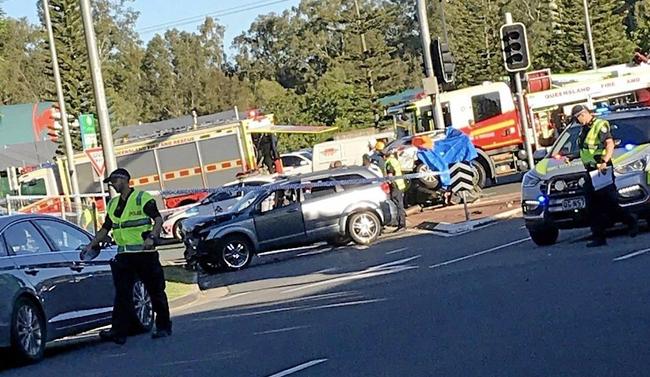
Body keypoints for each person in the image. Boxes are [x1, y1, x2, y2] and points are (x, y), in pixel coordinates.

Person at [81, 168, 171, 344]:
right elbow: (106, 228)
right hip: (124, 256)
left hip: (145, 254)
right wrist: (91, 244)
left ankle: (163, 326)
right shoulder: (113, 204)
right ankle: (119, 331)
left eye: (114, 181)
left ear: (124, 179)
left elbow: (158, 219)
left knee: (155, 291)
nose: (112, 185)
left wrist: (152, 237)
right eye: (111, 182)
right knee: (122, 293)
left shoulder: (141, 198)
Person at [572, 104, 638, 247]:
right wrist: (572, 157)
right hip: (591, 171)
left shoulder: (600, 125)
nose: (577, 122)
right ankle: (600, 236)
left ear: (583, 114)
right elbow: (587, 149)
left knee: (608, 202)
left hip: (602, 170)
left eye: (577, 119)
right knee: (594, 205)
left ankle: (630, 221)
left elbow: (609, 144)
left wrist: (604, 162)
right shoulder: (584, 129)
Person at [383, 149, 406, 231]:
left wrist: (389, 182)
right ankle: (401, 224)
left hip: (395, 186)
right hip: (400, 185)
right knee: (400, 205)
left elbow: (390, 175)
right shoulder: (394, 160)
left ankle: (402, 224)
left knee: (399, 205)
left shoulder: (389, 162)